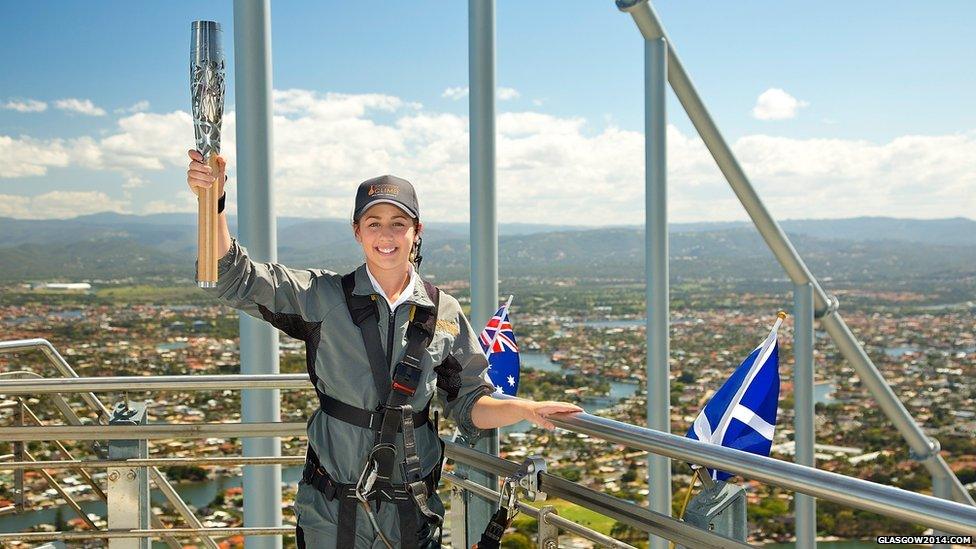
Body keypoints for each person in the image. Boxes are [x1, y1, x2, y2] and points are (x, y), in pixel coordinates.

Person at [186, 150, 583, 548]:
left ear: (417, 230)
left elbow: (469, 402)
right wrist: (213, 201)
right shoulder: (322, 298)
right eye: (374, 223)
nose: (386, 235)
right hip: (333, 512)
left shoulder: (442, 311)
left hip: (411, 515)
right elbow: (231, 277)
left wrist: (527, 409)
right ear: (357, 231)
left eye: (399, 223)